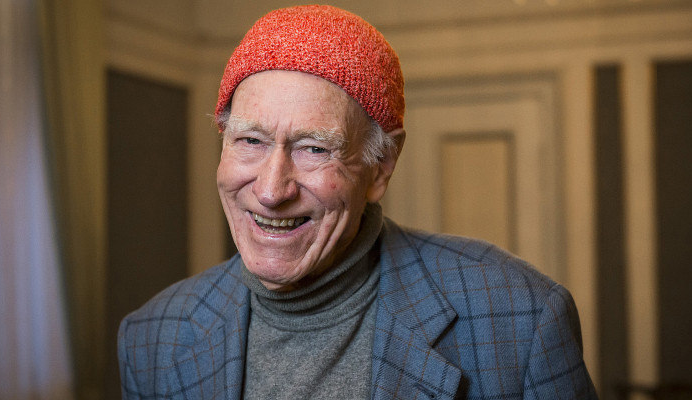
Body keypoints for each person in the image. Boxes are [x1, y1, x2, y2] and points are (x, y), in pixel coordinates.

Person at [118, 5, 597, 399]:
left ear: (381, 167)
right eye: (251, 141)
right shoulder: (152, 339)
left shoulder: (521, 318)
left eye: (314, 149)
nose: (270, 190)